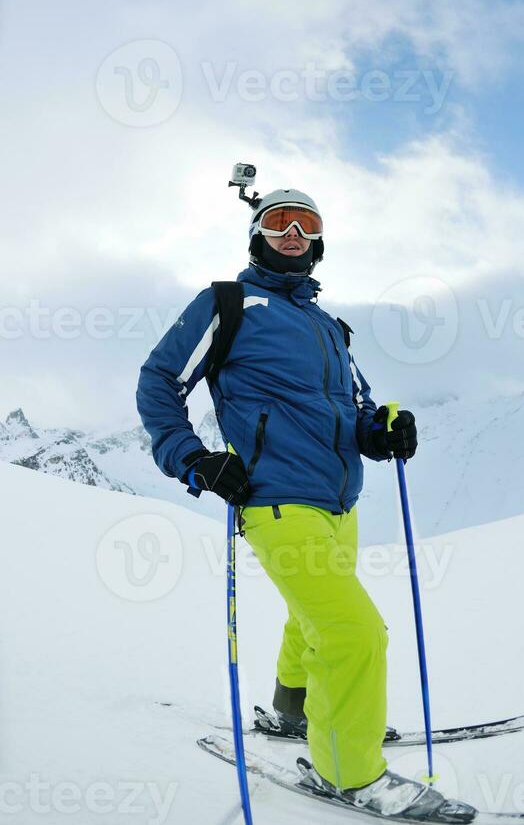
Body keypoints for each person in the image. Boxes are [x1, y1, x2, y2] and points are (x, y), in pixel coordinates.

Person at [136, 189, 471, 821]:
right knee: (355, 634)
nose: (292, 231)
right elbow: (158, 381)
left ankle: (294, 713)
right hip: (275, 500)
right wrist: (192, 456)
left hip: (340, 505)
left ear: (319, 241)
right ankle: (349, 774)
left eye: (306, 222)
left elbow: (356, 411)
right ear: (256, 235)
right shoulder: (227, 304)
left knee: (308, 617)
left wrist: (382, 431)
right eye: (276, 221)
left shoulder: (330, 327)